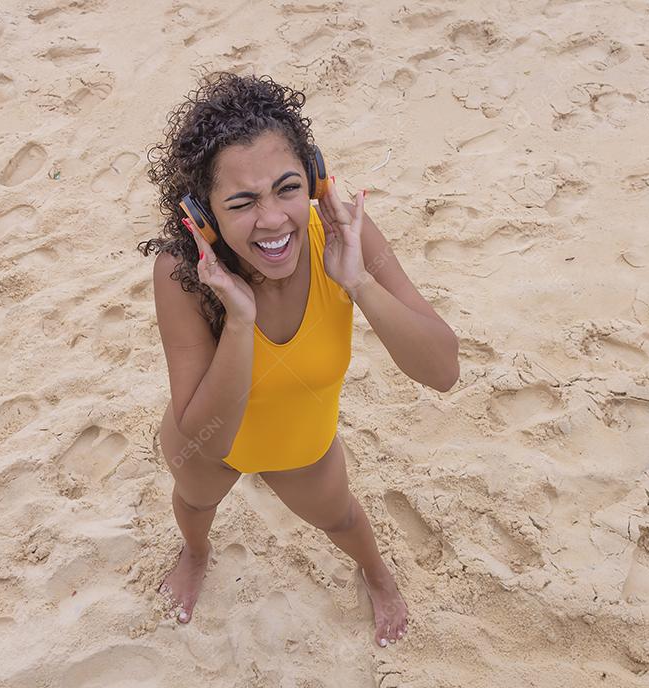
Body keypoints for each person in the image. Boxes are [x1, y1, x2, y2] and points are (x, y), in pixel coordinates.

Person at [137, 73, 459, 648]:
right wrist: (239, 320)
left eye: (287, 188)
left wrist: (357, 281)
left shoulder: (344, 234)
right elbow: (210, 440)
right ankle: (196, 553)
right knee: (194, 502)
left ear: (313, 179)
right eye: (242, 202)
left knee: (341, 519)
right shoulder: (182, 274)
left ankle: (376, 573)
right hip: (206, 441)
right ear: (203, 215)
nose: (272, 220)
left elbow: (442, 372)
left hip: (301, 441)